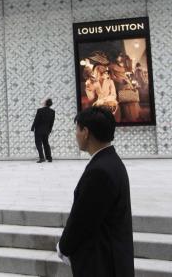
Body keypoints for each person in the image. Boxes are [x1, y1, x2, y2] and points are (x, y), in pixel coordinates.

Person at [57, 106, 134, 276]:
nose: (76, 134)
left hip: (102, 265)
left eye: (77, 129)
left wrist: (63, 247)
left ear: (86, 132)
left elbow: (82, 219)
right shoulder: (110, 161)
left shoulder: (99, 171)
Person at [31, 98, 55, 163]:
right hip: (46, 130)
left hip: (38, 130)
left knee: (38, 143)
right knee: (46, 143)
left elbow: (36, 120)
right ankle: (49, 158)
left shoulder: (40, 110)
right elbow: (52, 122)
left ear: (45, 103)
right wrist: (49, 130)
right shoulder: (52, 112)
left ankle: (42, 158)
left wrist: (32, 127)